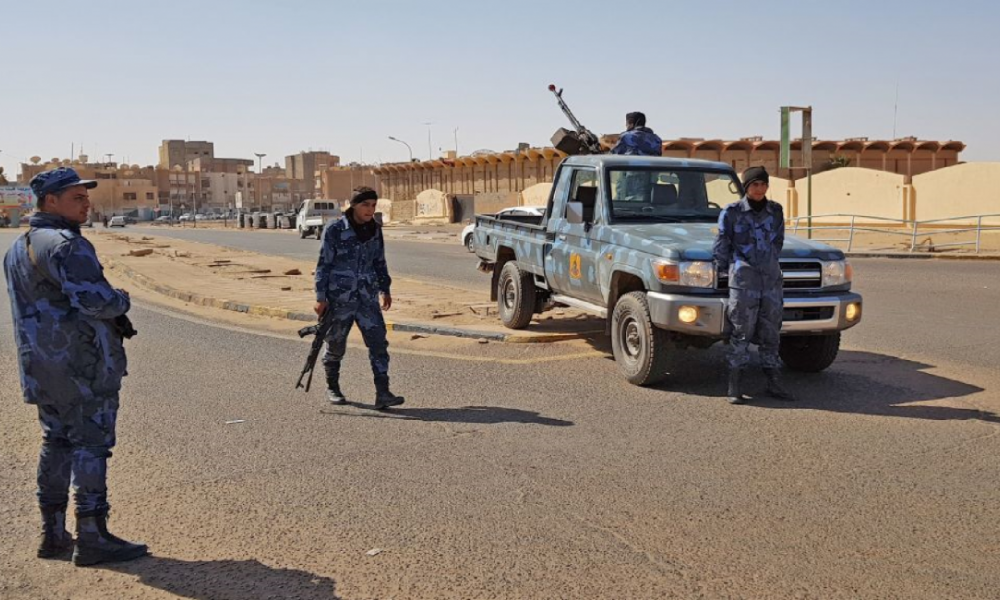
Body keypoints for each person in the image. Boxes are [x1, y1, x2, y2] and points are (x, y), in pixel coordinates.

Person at [3, 167, 148, 566]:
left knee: (56, 442)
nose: (87, 204)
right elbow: (97, 302)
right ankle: (92, 534)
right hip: (81, 365)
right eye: (77, 198)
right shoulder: (67, 245)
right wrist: (121, 298)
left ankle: (52, 534)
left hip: (41, 366)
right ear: (50, 201)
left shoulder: (19, 246)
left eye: (86, 197)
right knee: (91, 444)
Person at [314, 187, 404, 410]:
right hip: (339, 298)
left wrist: (385, 289)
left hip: (367, 298)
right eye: (366, 205)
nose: (370, 210)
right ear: (353, 205)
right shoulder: (335, 229)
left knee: (378, 343)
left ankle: (383, 393)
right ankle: (333, 388)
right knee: (335, 343)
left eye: (374, 205)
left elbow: (379, 262)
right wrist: (320, 297)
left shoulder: (374, 230)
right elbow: (323, 264)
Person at [713, 166, 795, 405]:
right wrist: (730, 270)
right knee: (741, 332)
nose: (759, 189)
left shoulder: (775, 210)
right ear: (746, 187)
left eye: (763, 184)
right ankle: (734, 385)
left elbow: (777, 241)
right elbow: (721, 245)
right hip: (743, 281)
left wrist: (767, 262)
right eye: (754, 185)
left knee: (771, 332)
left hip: (770, 281)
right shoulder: (732, 212)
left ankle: (773, 382)